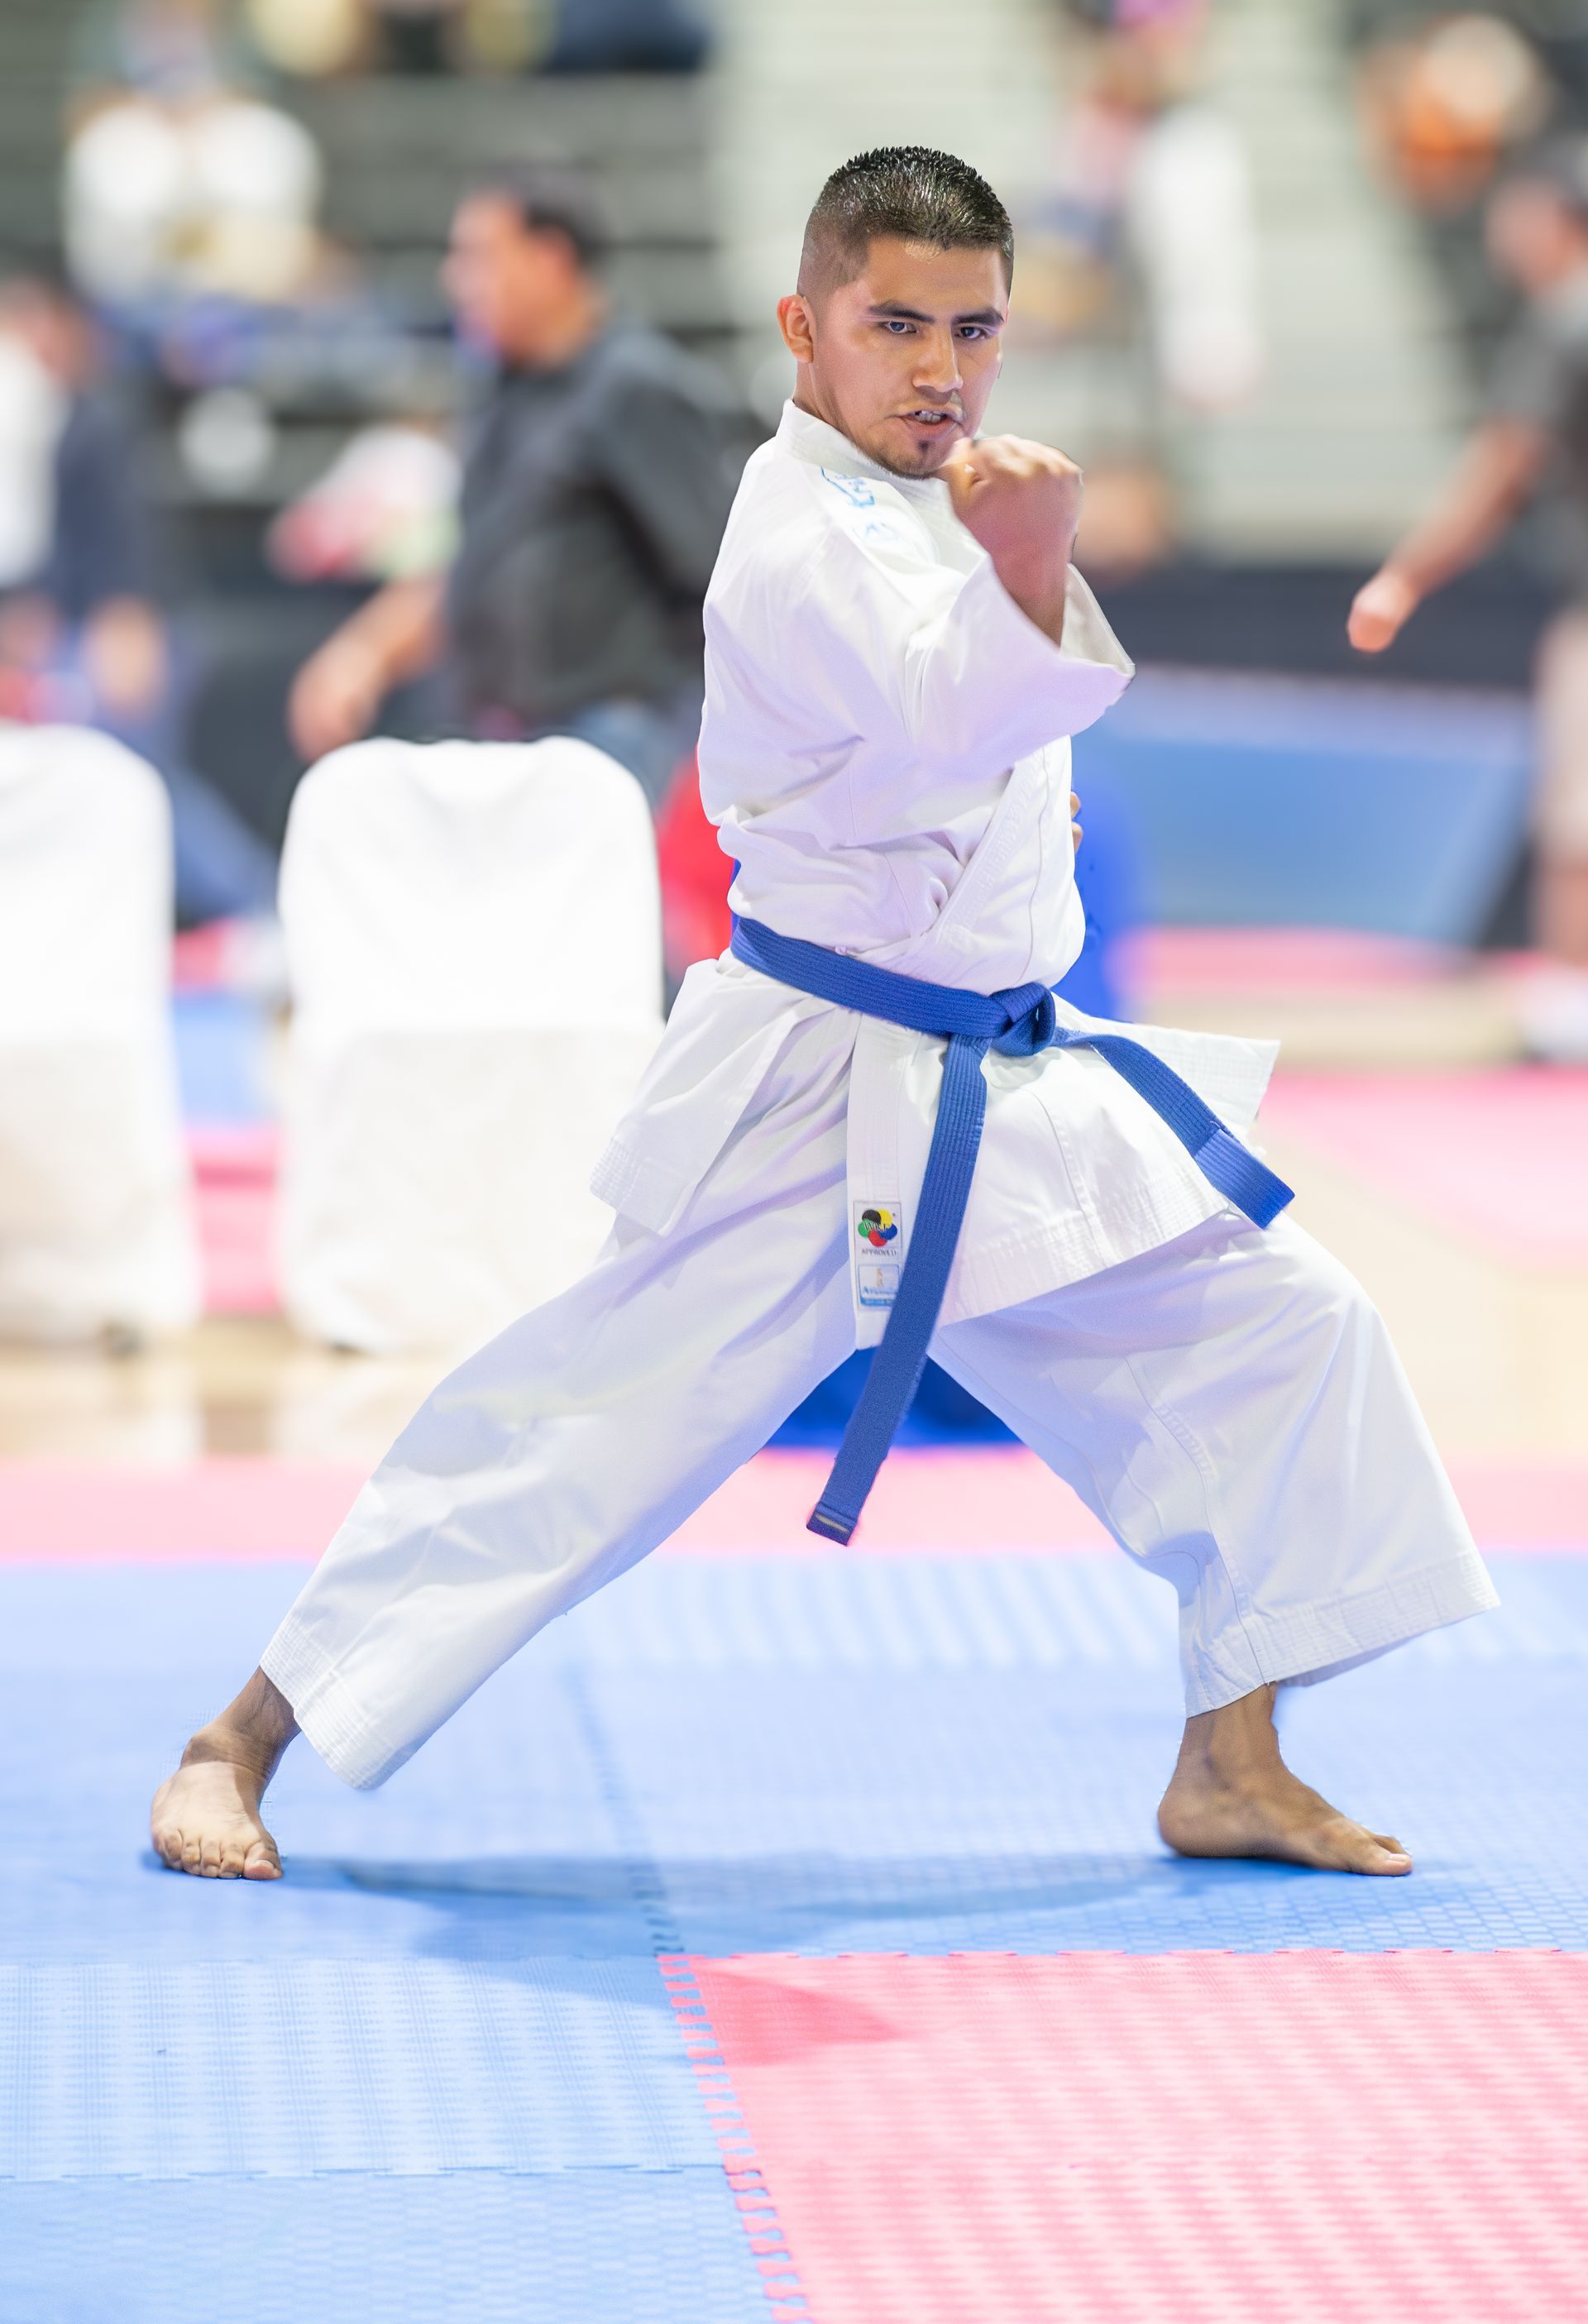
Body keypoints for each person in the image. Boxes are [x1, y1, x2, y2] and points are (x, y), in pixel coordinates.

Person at [152, 145, 1494, 1883]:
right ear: (805, 327)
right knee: (575, 1430)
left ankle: (1233, 1760)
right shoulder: (795, 531)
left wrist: (1016, 561)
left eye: (975, 330)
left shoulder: (935, 500)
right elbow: (949, 713)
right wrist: (1032, 568)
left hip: (1003, 1077)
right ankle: (236, 1738)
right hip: (818, 1095)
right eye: (896, 326)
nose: (941, 369)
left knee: (1285, 1330)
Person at [286, 163, 739, 815]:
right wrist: (363, 653)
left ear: (549, 260)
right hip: (509, 739)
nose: (455, 280)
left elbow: (724, 577)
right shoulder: (503, 391)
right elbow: (473, 560)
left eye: (477, 257)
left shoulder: (636, 388)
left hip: (612, 739)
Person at [1349, 136, 1588, 1059]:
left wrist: (1405, 575)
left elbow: (1501, 468)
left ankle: (1574, 993)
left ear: (1550, 217)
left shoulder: (1566, 315)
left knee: (1579, 812)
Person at [0, 273, 279, 926]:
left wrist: (126, 625)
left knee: (139, 785)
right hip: (71, 639)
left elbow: (128, 542)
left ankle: (259, 907)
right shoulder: (39, 422)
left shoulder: (100, 418)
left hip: (128, 634)